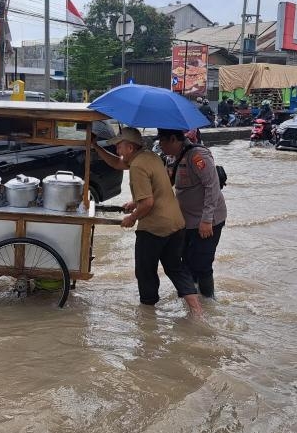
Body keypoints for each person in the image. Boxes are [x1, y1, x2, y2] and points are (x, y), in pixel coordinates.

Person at [94, 127, 203, 315]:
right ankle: (196, 310)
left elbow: (148, 203)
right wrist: (95, 147)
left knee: (145, 272)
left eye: (119, 147)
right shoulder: (149, 156)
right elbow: (118, 165)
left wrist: (132, 217)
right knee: (175, 268)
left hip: (155, 226)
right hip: (176, 223)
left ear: (129, 148)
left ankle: (148, 313)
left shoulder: (137, 166)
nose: (117, 151)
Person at [157, 128, 227, 299]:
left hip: (208, 221)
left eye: (162, 141)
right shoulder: (171, 158)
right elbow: (169, 186)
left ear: (173, 139)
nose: (160, 145)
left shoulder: (197, 156)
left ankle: (209, 301)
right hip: (186, 221)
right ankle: (192, 297)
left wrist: (206, 220)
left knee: (202, 264)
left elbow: (212, 186)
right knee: (186, 262)